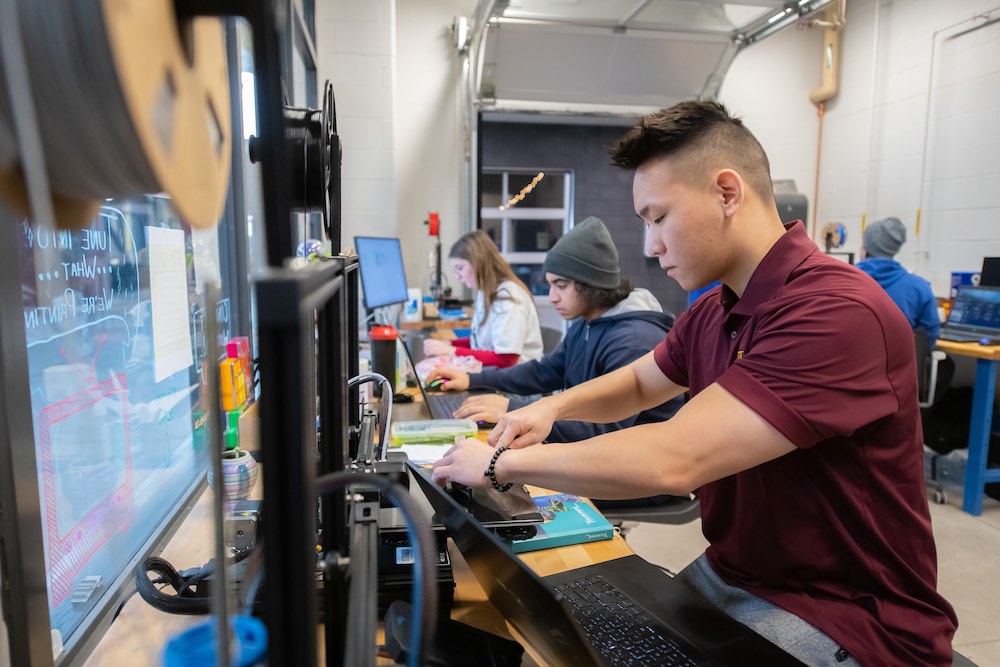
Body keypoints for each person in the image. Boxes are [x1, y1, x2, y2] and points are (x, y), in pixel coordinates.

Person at [432, 100, 957, 666]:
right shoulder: (715, 310)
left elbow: (673, 459)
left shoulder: (836, 311)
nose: (650, 246)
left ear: (727, 193)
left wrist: (498, 465)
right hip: (736, 576)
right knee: (564, 630)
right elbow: (638, 383)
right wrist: (551, 408)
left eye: (658, 218)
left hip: (847, 616)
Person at [427, 216, 683, 442]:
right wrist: (473, 379)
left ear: (590, 284)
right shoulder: (587, 323)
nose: (552, 297)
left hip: (635, 481)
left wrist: (514, 409)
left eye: (560, 286)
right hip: (594, 456)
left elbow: (604, 431)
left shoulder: (634, 340)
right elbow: (544, 372)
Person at [423, 230, 543, 367]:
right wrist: (449, 344)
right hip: (497, 375)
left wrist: (452, 351)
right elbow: (480, 342)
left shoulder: (508, 298)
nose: (457, 277)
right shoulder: (485, 292)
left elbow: (507, 359)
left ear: (478, 262)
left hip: (514, 383)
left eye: (460, 268)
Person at [856, 216, 941, 347]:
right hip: (899, 365)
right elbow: (928, 339)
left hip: (847, 364)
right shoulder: (919, 288)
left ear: (866, 248)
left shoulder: (840, 280)